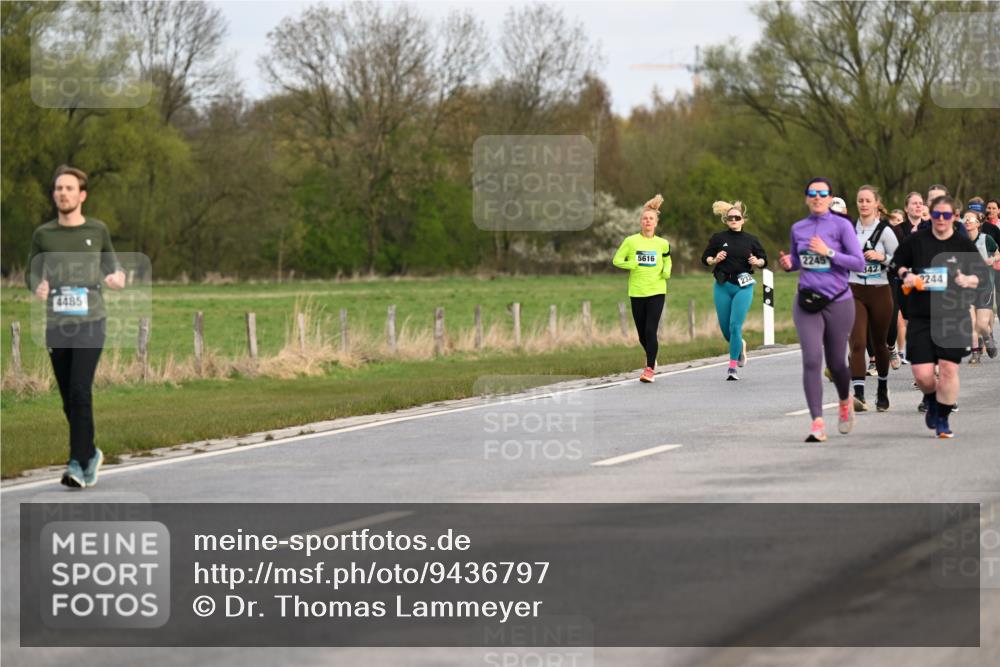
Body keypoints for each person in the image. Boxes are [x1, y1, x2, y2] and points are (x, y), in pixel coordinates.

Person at [27, 165, 125, 488]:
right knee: (70, 398)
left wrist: (116, 278)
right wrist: (38, 285)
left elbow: (113, 267)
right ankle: (90, 454)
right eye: (58, 188)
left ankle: (75, 464)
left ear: (82, 195)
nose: (63, 193)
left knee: (81, 389)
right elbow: (31, 272)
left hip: (91, 321)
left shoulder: (98, 230)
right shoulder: (43, 235)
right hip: (57, 325)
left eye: (69, 188)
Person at [778, 178, 866, 442]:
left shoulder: (842, 226)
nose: (817, 197)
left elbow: (858, 263)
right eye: (812, 193)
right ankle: (817, 422)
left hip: (838, 301)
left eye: (823, 193)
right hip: (807, 301)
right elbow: (798, 260)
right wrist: (789, 263)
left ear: (829, 198)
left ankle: (844, 400)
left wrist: (828, 252)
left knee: (837, 362)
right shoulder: (798, 228)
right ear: (806, 198)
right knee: (812, 359)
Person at [893, 195, 988, 438]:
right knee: (923, 375)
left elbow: (980, 275)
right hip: (921, 316)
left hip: (953, 316)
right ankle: (931, 398)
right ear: (931, 215)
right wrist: (906, 276)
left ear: (954, 216)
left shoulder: (962, 244)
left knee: (947, 370)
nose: (941, 219)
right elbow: (896, 264)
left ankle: (943, 417)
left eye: (947, 215)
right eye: (937, 215)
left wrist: (967, 279)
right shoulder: (916, 241)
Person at [701, 200, 768, 380]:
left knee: (734, 326)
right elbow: (705, 258)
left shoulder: (751, 239)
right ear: (726, 220)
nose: (733, 220)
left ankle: (732, 368)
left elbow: (764, 260)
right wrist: (714, 259)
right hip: (723, 285)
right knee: (726, 331)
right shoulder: (718, 238)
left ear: (742, 220)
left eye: (737, 218)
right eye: (730, 218)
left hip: (743, 286)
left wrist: (757, 261)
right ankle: (740, 345)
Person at [848, 185, 899, 411]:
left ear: (876, 203)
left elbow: (900, 261)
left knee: (880, 343)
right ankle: (859, 395)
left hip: (880, 290)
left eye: (868, 200)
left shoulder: (886, 231)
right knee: (858, 342)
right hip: (854, 290)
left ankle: (882, 389)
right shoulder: (849, 229)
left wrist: (882, 257)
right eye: (860, 200)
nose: (864, 204)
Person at [613, 194, 672, 383]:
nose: (648, 221)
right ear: (641, 222)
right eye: (645, 218)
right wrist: (630, 264)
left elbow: (667, 260)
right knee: (641, 335)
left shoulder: (662, 243)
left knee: (650, 330)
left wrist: (667, 271)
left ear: (656, 222)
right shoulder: (631, 241)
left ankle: (649, 369)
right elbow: (616, 260)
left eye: (651, 218)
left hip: (657, 290)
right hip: (637, 291)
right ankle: (652, 357)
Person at [963, 209, 999, 363]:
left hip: (984, 287)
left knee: (981, 324)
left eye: (970, 219)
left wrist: (993, 259)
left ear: (978, 223)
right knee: (971, 322)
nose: (967, 221)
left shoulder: (986, 239)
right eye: (965, 219)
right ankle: (975, 353)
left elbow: (998, 253)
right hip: (967, 287)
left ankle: (987, 335)